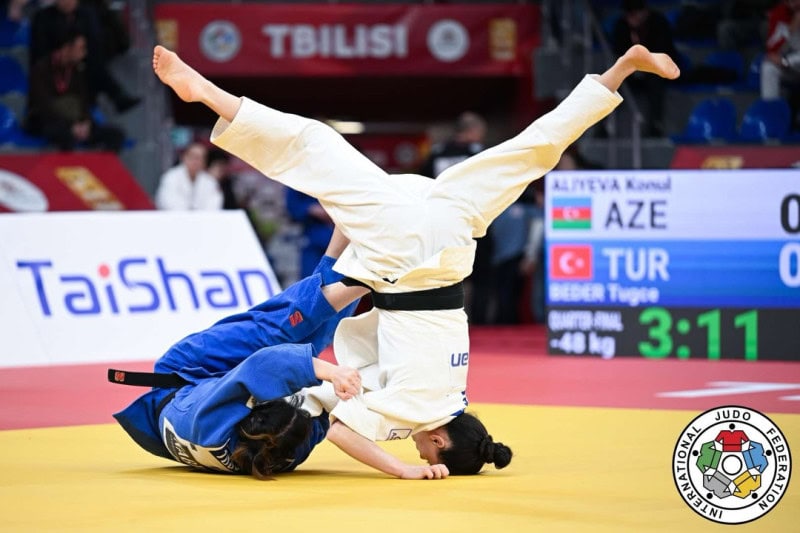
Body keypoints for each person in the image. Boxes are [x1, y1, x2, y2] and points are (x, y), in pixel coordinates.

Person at [151, 42, 680, 478]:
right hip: (401, 248)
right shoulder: (419, 409)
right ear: (441, 441)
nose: (420, 452)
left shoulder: (455, 389)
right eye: (428, 454)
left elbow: (365, 369)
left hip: (453, 231)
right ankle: (207, 94)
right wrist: (401, 470)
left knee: (531, 151)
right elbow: (339, 431)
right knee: (314, 150)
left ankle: (618, 71)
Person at [111, 229, 378, 479]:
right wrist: (398, 467)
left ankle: (372, 276)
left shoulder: (214, 421)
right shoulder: (289, 454)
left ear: (253, 410)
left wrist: (334, 373)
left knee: (277, 332)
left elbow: (266, 362)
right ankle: (350, 250)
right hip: (206, 397)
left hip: (186, 372)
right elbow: (328, 422)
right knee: (314, 339)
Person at [418, 111, 493, 324]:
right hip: (472, 220)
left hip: (439, 222)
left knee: (441, 272)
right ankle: (476, 320)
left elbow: (421, 183)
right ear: (473, 131)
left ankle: (440, 318)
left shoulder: (437, 152)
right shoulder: (478, 152)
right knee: (478, 274)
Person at [24, 28, 125, 152]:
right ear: (67, 48)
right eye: (81, 48)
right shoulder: (40, 69)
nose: (84, 53)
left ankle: (101, 164)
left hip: (75, 120)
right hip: (46, 120)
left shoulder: (77, 70)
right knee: (64, 135)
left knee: (116, 135)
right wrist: (71, 125)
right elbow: (44, 105)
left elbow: (83, 100)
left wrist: (86, 122)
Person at [611, 0, 678, 137]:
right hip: (629, 71)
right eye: (629, 15)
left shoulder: (658, 22)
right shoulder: (622, 25)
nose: (631, 18)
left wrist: (646, 64)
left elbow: (665, 51)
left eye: (634, 14)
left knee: (656, 83)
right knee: (612, 82)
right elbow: (618, 52)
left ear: (644, 12)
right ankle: (605, 127)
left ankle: (655, 126)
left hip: (654, 70)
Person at [762, 0, 800, 130]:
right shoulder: (781, 12)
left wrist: (785, 61)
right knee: (768, 68)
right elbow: (772, 48)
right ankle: (770, 120)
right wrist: (791, 29)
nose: (792, 3)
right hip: (791, 67)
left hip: (792, 62)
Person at [154, 142, 223, 210]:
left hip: (202, 217)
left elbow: (215, 203)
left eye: (200, 158)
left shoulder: (210, 181)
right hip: (176, 216)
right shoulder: (171, 177)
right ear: (184, 157)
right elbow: (167, 201)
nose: (196, 161)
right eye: (193, 157)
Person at [286, 189, 335, 280]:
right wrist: (311, 209)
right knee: (311, 279)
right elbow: (293, 206)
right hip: (314, 240)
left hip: (344, 240)